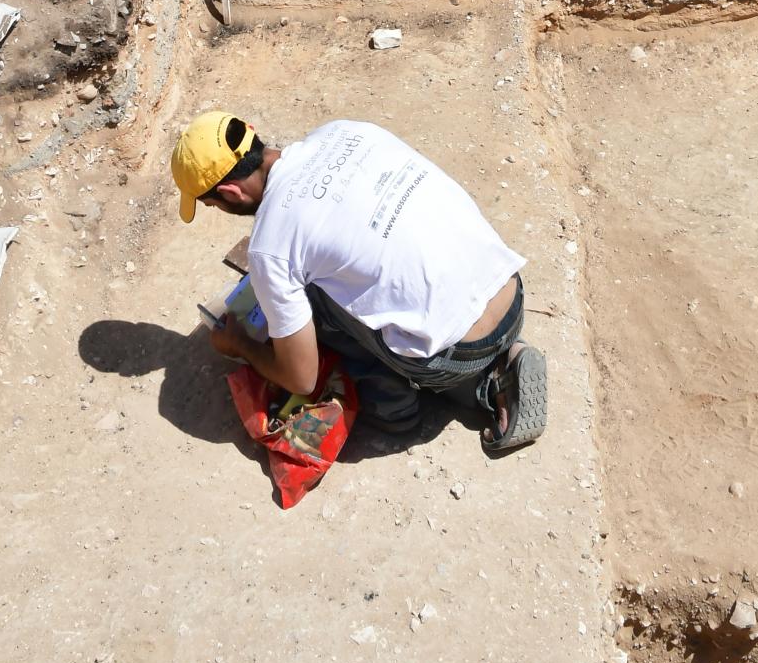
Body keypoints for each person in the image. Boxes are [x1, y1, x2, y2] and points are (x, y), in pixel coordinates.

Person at [171, 109, 546, 452]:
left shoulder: (271, 245)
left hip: (458, 352)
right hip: (508, 288)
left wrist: (241, 345)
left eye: (211, 204)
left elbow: (300, 379)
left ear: (229, 193)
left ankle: (399, 408)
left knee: (311, 296)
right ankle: (502, 364)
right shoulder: (343, 132)